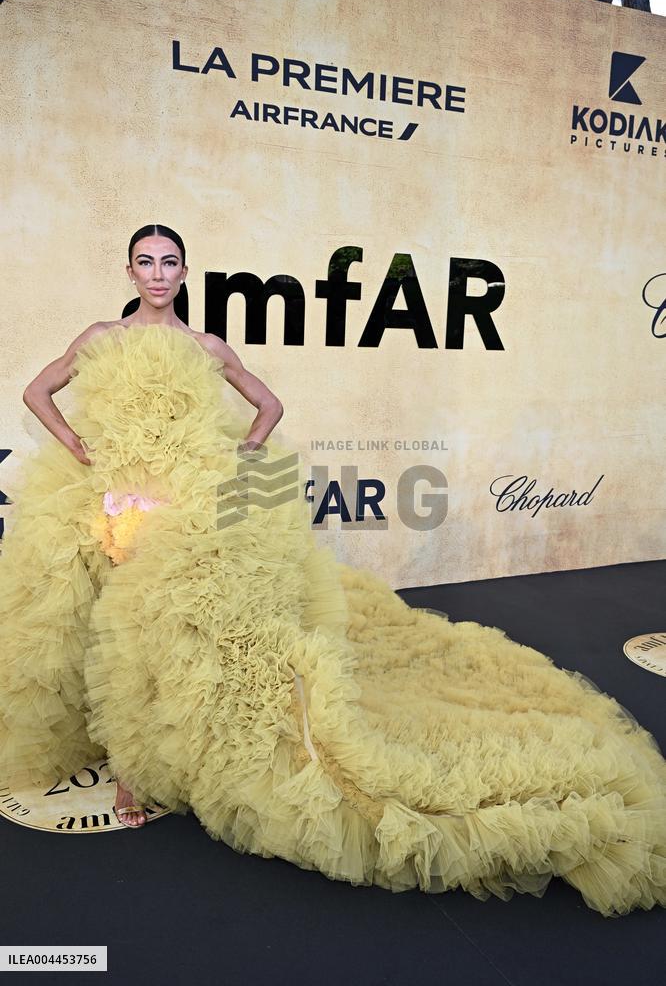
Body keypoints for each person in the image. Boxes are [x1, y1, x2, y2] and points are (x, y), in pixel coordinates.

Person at [0, 224, 664, 917]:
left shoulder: (206, 346)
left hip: (187, 505)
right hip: (111, 496)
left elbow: (268, 406)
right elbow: (38, 391)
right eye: (146, 262)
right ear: (130, 271)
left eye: (170, 262)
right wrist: (78, 444)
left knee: (164, 634)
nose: (158, 273)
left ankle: (139, 771)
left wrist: (244, 453)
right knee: (97, 625)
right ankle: (124, 757)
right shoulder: (101, 336)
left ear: (185, 272)